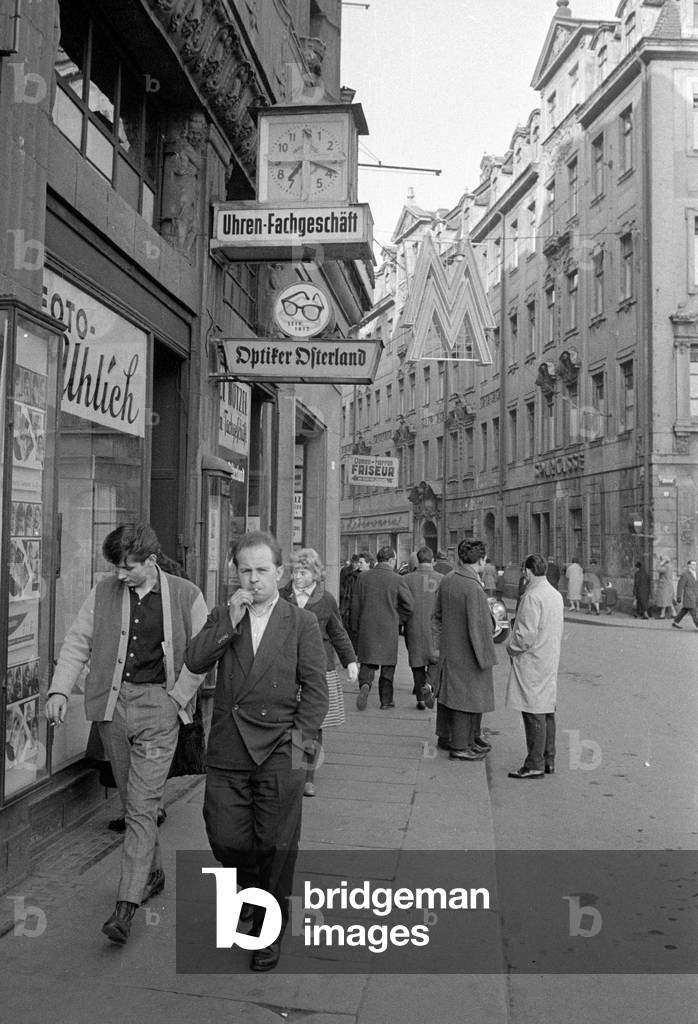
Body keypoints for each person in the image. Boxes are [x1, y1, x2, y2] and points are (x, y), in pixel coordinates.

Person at [45, 523, 209, 945]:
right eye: (116, 567)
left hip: (161, 707)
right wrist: (60, 689)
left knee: (142, 805)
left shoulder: (187, 594)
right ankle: (151, 873)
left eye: (128, 568)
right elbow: (78, 641)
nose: (120, 575)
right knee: (132, 798)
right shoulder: (103, 591)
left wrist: (179, 699)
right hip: (112, 709)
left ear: (151, 562)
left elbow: (205, 653)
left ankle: (125, 906)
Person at [184, 531, 327, 972]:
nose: (254, 579)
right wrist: (227, 619)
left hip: (282, 749)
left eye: (262, 570)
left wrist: (302, 765)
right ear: (236, 574)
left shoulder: (301, 623)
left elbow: (317, 695)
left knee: (276, 843)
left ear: (280, 574)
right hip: (229, 747)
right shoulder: (226, 615)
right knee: (226, 835)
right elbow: (194, 661)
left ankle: (270, 925)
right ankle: (249, 888)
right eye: (245, 570)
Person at [280, 548, 358, 796]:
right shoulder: (282, 596)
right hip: (287, 669)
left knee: (313, 723)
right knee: (290, 721)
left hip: (318, 670)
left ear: (315, 574)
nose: (297, 577)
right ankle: (292, 771)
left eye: (302, 572)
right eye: (294, 572)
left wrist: (351, 661)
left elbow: (337, 632)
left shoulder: (326, 600)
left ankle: (307, 777)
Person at [431, 538, 497, 761]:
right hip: (469, 652)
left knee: (451, 696)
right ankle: (461, 745)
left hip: (451, 649)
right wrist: (486, 657)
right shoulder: (473, 587)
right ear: (481, 560)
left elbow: (437, 616)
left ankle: (454, 738)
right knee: (467, 699)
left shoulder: (449, 579)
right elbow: (481, 626)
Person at [505, 553, 564, 779]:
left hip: (532, 659)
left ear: (528, 572)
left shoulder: (532, 596)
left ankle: (534, 763)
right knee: (547, 708)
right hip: (549, 657)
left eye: (524, 571)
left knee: (532, 711)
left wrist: (511, 647)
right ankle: (549, 759)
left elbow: (525, 636)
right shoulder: (555, 595)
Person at [351, 545, 414, 710]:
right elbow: (409, 605)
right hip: (389, 627)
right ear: (392, 560)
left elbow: (355, 605)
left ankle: (365, 684)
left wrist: (355, 626)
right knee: (388, 666)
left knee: (367, 661)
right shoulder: (397, 579)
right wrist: (399, 620)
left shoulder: (363, 578)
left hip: (367, 625)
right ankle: (386, 700)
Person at [402, 546, 441, 710]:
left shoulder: (406, 579)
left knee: (417, 663)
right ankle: (430, 685)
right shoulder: (443, 579)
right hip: (436, 629)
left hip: (414, 627)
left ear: (417, 560)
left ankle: (420, 698)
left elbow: (403, 604)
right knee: (436, 659)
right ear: (432, 561)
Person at [672, 559, 698, 629]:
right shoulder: (685, 574)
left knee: (685, 610)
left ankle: (675, 622)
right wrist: (678, 596)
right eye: (693, 564)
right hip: (688, 596)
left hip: (695, 596)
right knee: (693, 612)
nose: (694, 566)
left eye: (695, 564)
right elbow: (680, 586)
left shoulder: (696, 573)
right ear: (688, 565)